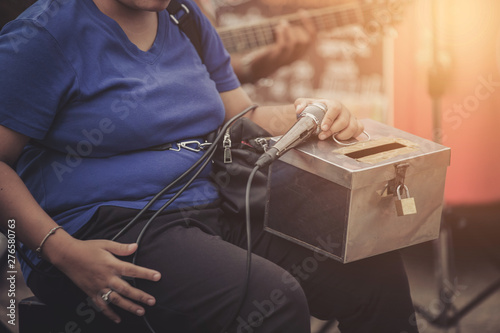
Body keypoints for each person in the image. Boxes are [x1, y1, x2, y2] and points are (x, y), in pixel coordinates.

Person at [0, 0, 419, 332]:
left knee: (371, 270)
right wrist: (61, 250)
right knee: (271, 299)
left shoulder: (184, 17)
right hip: (109, 231)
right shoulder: (45, 35)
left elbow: (239, 114)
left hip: (212, 206)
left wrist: (313, 114)